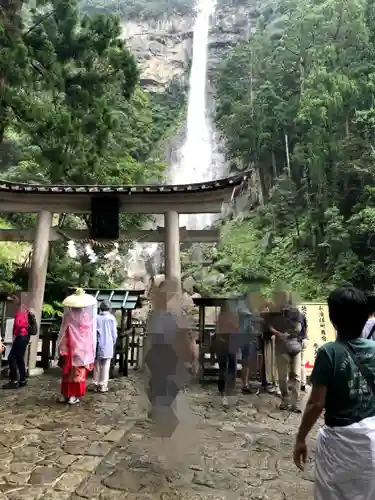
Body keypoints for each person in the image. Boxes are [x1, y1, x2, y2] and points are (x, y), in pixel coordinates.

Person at [293, 286, 375, 500]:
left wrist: (301, 438)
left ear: (332, 318)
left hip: (339, 442)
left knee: (333, 494)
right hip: (371, 440)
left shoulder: (329, 352)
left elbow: (316, 404)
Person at [145, 278, 199, 424]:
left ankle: (161, 408)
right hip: (160, 353)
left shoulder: (177, 313)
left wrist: (193, 357)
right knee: (159, 382)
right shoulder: (155, 313)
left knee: (168, 383)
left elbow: (189, 337)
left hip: (171, 354)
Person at [57, 288, 97, 405]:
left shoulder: (68, 316)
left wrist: (62, 347)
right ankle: (73, 396)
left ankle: (65, 395)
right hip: (82, 349)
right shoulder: (86, 317)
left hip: (68, 348)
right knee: (78, 373)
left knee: (67, 373)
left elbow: (64, 333)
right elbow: (89, 334)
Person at [269, 291, 302, 412]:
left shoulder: (294, 311)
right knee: (285, 376)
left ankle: (293, 402)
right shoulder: (275, 312)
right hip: (285, 346)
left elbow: (298, 328)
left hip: (292, 346)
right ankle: (287, 400)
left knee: (293, 375)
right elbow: (270, 326)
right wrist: (278, 333)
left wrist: (284, 334)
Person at [212, 301, 240, 407]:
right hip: (229, 344)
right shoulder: (233, 316)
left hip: (223, 344)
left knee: (223, 368)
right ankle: (228, 391)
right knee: (230, 369)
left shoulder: (221, 316)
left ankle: (223, 390)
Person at [3, 294, 31, 390]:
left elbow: (20, 324)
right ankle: (22, 379)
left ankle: (14, 380)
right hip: (24, 336)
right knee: (19, 358)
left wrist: (15, 331)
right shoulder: (25, 309)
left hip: (21, 336)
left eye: (12, 301)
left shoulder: (20, 311)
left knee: (11, 357)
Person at [93, 300, 117, 393]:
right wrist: (114, 342)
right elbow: (114, 333)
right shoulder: (111, 318)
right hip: (108, 343)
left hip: (97, 343)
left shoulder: (96, 318)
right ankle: (103, 385)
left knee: (97, 364)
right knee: (106, 365)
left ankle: (96, 384)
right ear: (109, 308)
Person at [300, 311, 308, 391]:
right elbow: (306, 327)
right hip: (304, 340)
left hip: (298, 341)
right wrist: (306, 337)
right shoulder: (302, 314)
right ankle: (303, 384)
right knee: (302, 363)